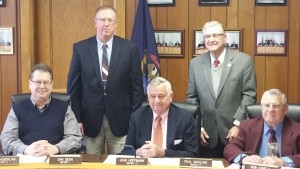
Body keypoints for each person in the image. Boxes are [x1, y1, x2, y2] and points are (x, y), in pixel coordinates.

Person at [67, 5, 144, 155]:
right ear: (95, 23)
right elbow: (73, 89)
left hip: (121, 120)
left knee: (122, 163)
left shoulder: (130, 49)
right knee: (90, 164)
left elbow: (137, 89)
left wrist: (134, 120)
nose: (106, 24)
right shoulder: (80, 49)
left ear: (116, 24)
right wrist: (77, 119)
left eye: (110, 20)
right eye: (102, 20)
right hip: (89, 122)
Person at [186, 21, 257, 158]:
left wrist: (238, 124)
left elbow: (249, 95)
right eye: (207, 36)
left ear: (225, 38)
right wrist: (198, 127)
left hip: (234, 132)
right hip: (206, 135)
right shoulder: (195, 64)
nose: (211, 40)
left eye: (215, 35)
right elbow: (191, 98)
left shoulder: (243, 61)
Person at [0, 64, 82, 156]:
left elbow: (74, 137)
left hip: (55, 160)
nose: (42, 86)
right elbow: (7, 139)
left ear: (51, 84)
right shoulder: (17, 108)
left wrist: (56, 148)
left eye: (46, 82)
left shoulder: (64, 107)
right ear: (30, 84)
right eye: (38, 82)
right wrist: (25, 149)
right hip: (26, 161)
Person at [120, 77, 199, 157]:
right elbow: (127, 151)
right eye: (153, 96)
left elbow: (192, 154)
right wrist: (139, 152)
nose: (157, 101)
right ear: (148, 98)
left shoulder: (184, 118)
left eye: (161, 96)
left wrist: (163, 153)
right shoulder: (137, 117)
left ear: (170, 96)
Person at [224, 89, 300, 167]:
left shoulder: (297, 130)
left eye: (276, 106)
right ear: (261, 108)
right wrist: (244, 158)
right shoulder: (247, 127)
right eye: (267, 105)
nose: (270, 110)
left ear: (285, 109)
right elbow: (230, 148)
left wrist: (283, 161)